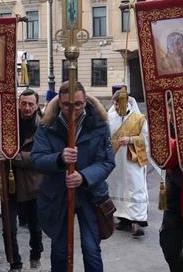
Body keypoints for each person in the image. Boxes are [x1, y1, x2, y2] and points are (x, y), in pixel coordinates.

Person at [31, 81, 115, 272]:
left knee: (91, 249)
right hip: (58, 195)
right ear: (59, 103)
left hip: (90, 194)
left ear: (85, 101)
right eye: (67, 105)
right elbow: (37, 159)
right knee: (60, 251)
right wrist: (59, 159)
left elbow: (107, 162)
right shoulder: (47, 124)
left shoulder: (98, 123)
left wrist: (84, 177)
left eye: (78, 104)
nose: (73, 109)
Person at [0, 89, 45, 271]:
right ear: (18, 103)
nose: (26, 108)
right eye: (23, 103)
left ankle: (36, 254)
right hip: (8, 184)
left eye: (31, 104)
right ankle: (14, 263)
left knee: (35, 226)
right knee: (8, 228)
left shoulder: (43, 126)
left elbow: (39, 158)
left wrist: (12, 156)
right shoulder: (9, 122)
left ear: (36, 105)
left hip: (32, 184)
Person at [106, 91, 150, 237]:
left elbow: (146, 139)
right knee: (118, 187)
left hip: (132, 160)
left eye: (119, 103)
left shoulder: (138, 119)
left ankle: (137, 222)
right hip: (116, 161)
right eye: (116, 103)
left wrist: (130, 140)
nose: (117, 105)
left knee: (135, 187)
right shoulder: (109, 117)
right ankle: (123, 219)